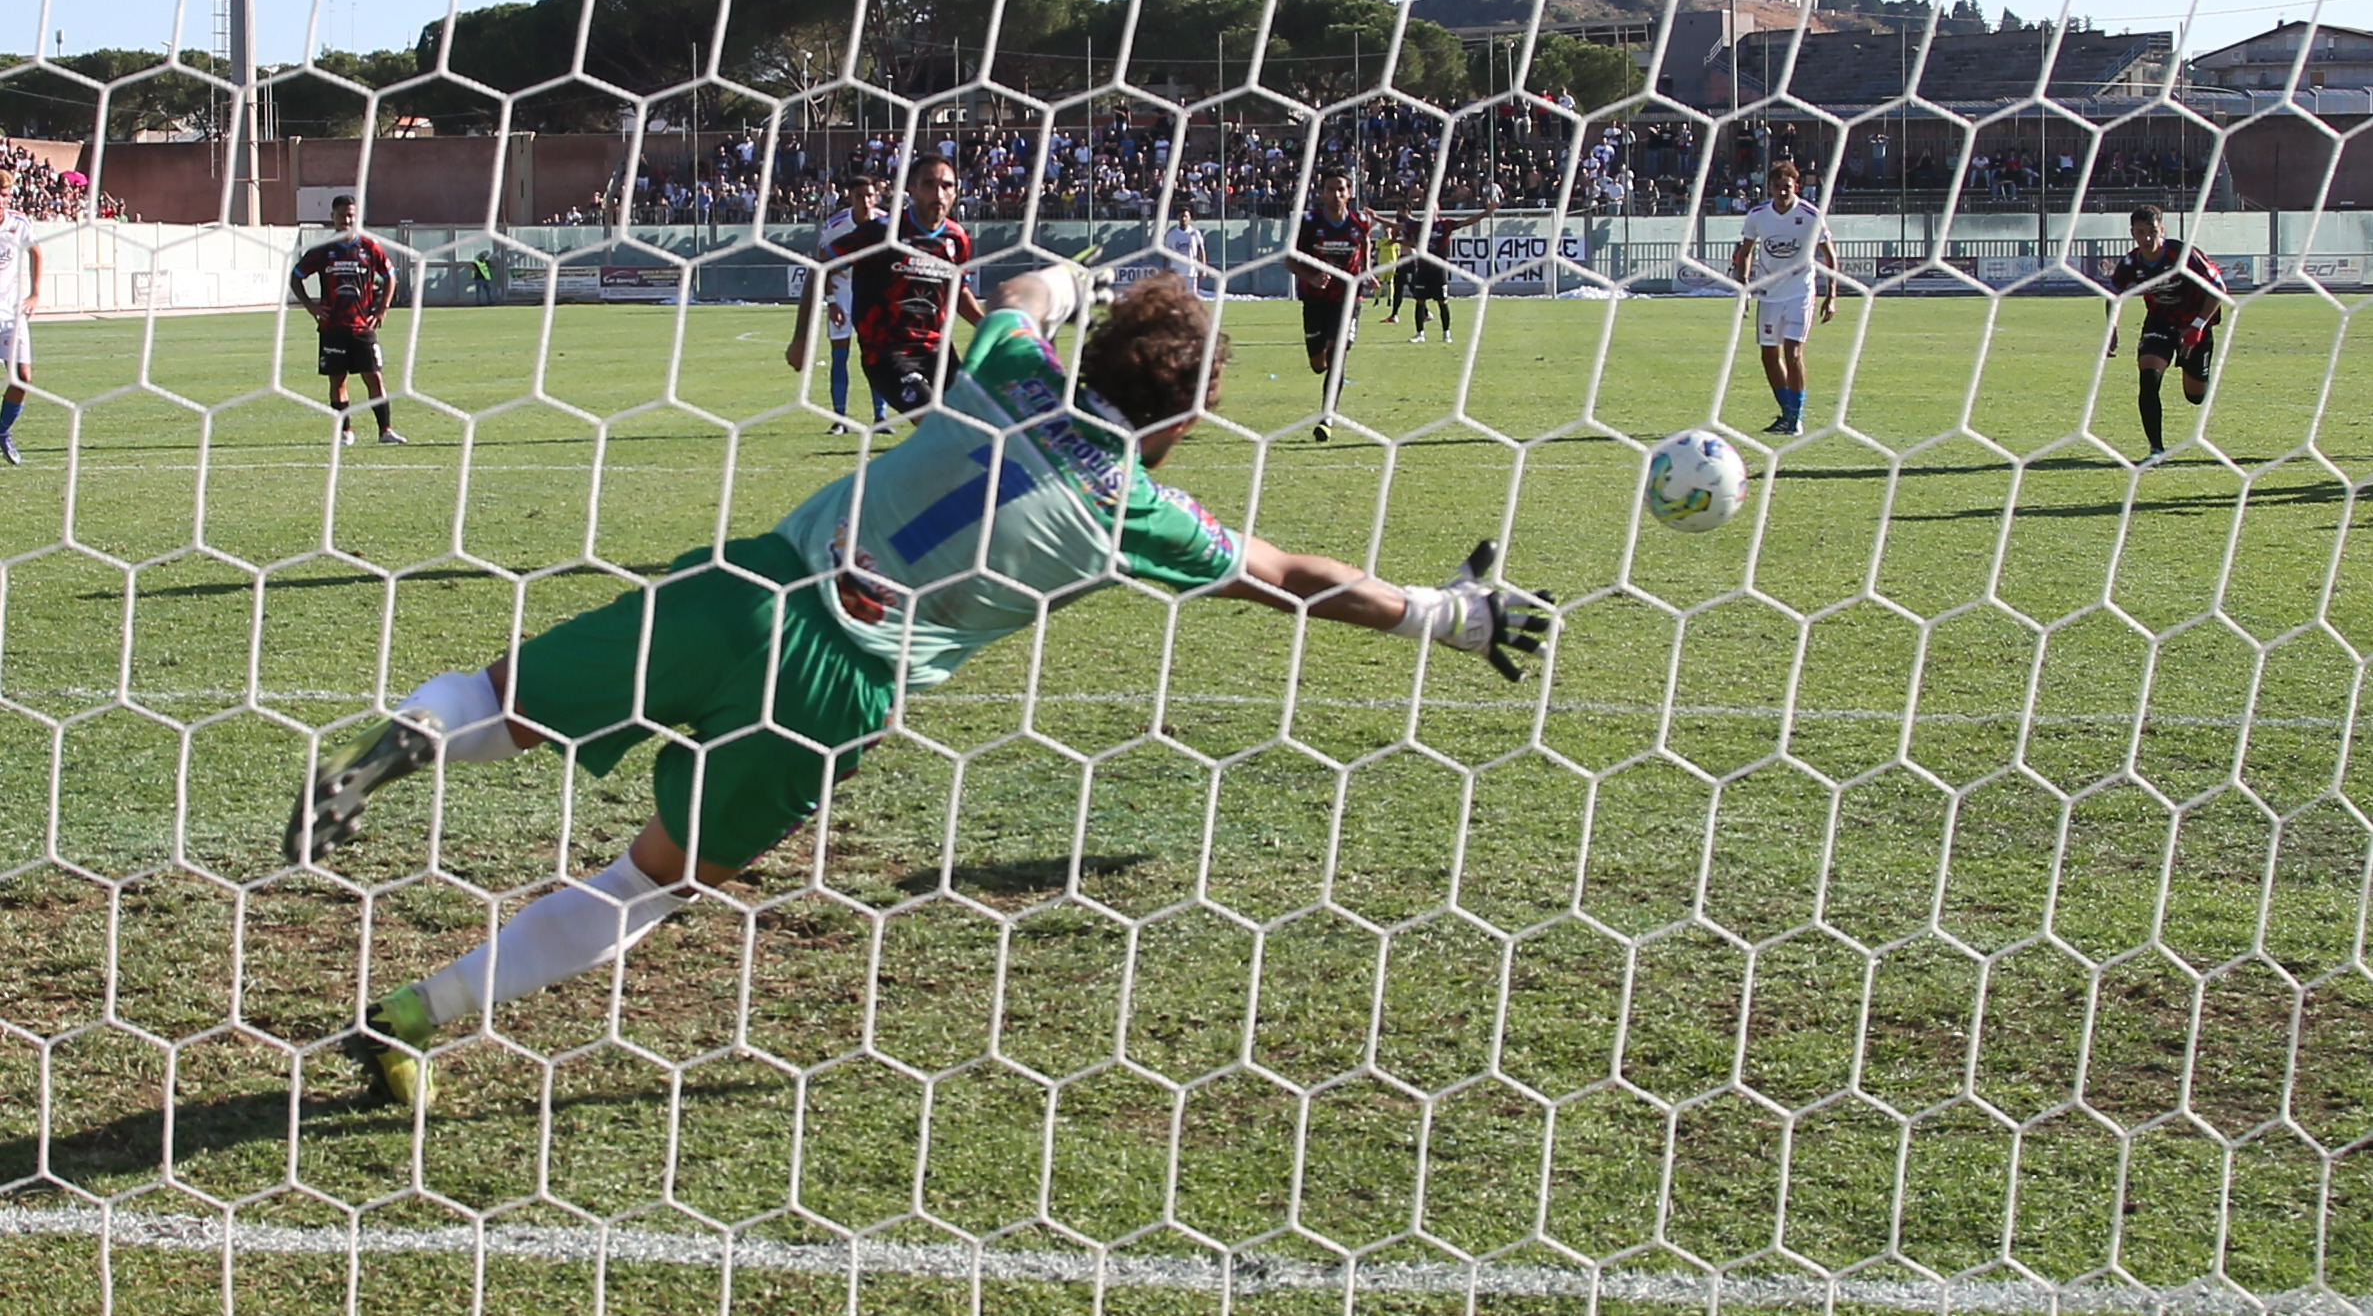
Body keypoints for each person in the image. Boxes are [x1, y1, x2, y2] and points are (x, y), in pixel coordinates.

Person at [285, 266, 1553, 1108]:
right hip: (841, 683)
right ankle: (417, 1011)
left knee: (511, 694)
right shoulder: (1136, 512)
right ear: (1182, 422)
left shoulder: (1005, 367)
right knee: (654, 878)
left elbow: (1013, 290)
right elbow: (1291, 573)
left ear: (1094, 348)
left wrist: (1067, 283)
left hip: (755, 582)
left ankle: (410, 735)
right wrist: (1445, 613)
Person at [837, 155, 985, 421]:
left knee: (975, 424)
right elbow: (821, 266)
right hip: (888, 352)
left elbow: (959, 291)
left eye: (947, 185)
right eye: (929, 184)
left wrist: (989, 327)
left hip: (938, 351)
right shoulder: (883, 232)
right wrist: (802, 338)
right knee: (940, 426)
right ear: (911, 189)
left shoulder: (956, 238)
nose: (939, 194)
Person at [2107, 204, 2224, 463]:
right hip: (2159, 322)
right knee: (2148, 378)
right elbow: (2113, 296)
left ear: (2162, 230)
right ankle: (2156, 450)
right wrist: (2111, 330)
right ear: (2132, 233)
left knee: (2195, 396)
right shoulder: (2131, 262)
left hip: (2194, 325)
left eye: (2152, 231)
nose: (2147, 238)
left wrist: (2197, 325)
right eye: (2140, 232)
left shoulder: (2182, 255)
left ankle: (2197, 373)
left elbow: (2218, 288)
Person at [1729, 160, 1837, 438]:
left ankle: (1796, 417)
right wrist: (1744, 286)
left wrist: (1831, 295)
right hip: (1769, 294)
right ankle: (1787, 413)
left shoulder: (1811, 215)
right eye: (1777, 187)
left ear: (1795, 186)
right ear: (1770, 188)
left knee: (1793, 352)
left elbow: (1829, 256)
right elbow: (1746, 250)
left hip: (1800, 292)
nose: (1782, 192)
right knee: (1768, 355)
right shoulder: (1757, 215)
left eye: (1787, 187)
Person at [290, 195, 407, 446]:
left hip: (362, 326)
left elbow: (390, 276)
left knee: (374, 377)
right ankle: (345, 432)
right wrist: (310, 305)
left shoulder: (369, 247)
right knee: (338, 380)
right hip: (332, 327)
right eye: (343, 214)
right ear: (333, 217)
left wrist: (382, 308)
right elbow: (296, 276)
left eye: (352, 215)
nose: (348, 219)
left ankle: (385, 430)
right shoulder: (322, 251)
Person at [786, 175, 890, 435]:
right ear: (850, 198)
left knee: (875, 355)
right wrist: (831, 302)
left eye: (869, 195)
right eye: (859, 196)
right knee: (840, 355)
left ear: (876, 197)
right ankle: (840, 418)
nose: (865, 201)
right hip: (843, 290)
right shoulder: (836, 225)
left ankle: (881, 418)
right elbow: (823, 267)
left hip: (873, 289)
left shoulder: (887, 223)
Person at [1288, 169, 1375, 443]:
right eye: (1330, 189)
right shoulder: (1310, 223)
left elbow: (1366, 243)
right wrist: (1312, 276)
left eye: (1341, 189)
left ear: (1349, 193)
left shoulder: (1360, 221)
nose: (1336, 194)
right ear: (1322, 192)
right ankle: (1322, 358)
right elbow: (1290, 260)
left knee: (1338, 355)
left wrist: (1367, 270)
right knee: (1318, 363)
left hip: (1348, 298)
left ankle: (1327, 418)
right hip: (1315, 300)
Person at [1392, 199, 1494, 346]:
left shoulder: (1445, 225)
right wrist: (1375, 217)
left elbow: (1467, 222)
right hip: (1422, 268)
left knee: (1442, 302)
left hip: (1438, 269)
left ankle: (1446, 333)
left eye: (1432, 208)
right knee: (1420, 301)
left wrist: (1486, 213)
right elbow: (1397, 226)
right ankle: (1420, 333)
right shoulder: (1419, 226)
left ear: (1437, 210)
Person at [0, 170, 42, 466]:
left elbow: (36, 252)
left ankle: (2, 432)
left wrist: (35, 294)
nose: (2, 199)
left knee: (23, 378)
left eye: (4, 194)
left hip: (11, 314)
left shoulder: (18, 223)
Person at [1162, 204, 1209, 296]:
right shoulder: (1172, 234)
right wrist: (1165, 270)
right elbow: (1166, 253)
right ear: (1178, 218)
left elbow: (1201, 251)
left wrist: (1203, 268)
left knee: (1191, 297)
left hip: (1191, 271)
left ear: (1190, 218)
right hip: (1176, 270)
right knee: (1176, 296)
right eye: (1181, 216)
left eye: (1186, 216)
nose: (1183, 218)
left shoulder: (1195, 233)